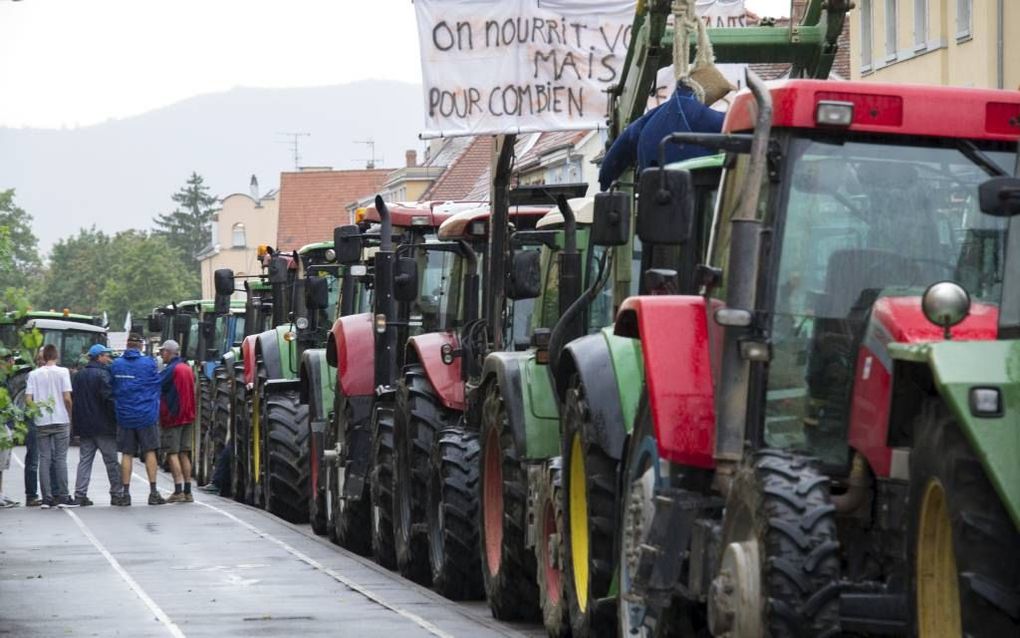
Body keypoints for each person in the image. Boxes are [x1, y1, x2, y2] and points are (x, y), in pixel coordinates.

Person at [110, 333, 165, 506]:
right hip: (146, 415)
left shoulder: (116, 365)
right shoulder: (149, 363)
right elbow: (157, 383)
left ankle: (125, 494)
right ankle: (153, 492)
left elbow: (112, 387)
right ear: (140, 346)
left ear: (127, 345)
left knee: (127, 454)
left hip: (125, 415)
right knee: (149, 451)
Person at [25, 344, 76, 508]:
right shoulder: (63, 372)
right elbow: (67, 398)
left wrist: (37, 413)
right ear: (56, 356)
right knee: (60, 459)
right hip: (61, 419)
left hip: (42, 421)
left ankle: (46, 498)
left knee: (44, 459)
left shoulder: (33, 374)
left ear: (43, 357)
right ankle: (63, 496)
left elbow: (28, 399)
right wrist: (70, 414)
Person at [71, 344, 123, 506]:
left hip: (85, 427)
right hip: (104, 427)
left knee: (85, 461)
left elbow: (75, 400)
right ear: (99, 356)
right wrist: (116, 420)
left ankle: (80, 494)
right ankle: (116, 493)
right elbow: (108, 400)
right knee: (112, 462)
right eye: (107, 356)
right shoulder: (103, 375)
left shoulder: (79, 376)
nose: (109, 359)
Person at [158, 340, 195, 503]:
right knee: (184, 453)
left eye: (162, 352)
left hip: (174, 417)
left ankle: (178, 490)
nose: (161, 355)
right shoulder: (187, 368)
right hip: (189, 416)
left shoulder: (171, 370)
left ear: (168, 352)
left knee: (172, 454)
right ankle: (188, 491)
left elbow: (156, 385)